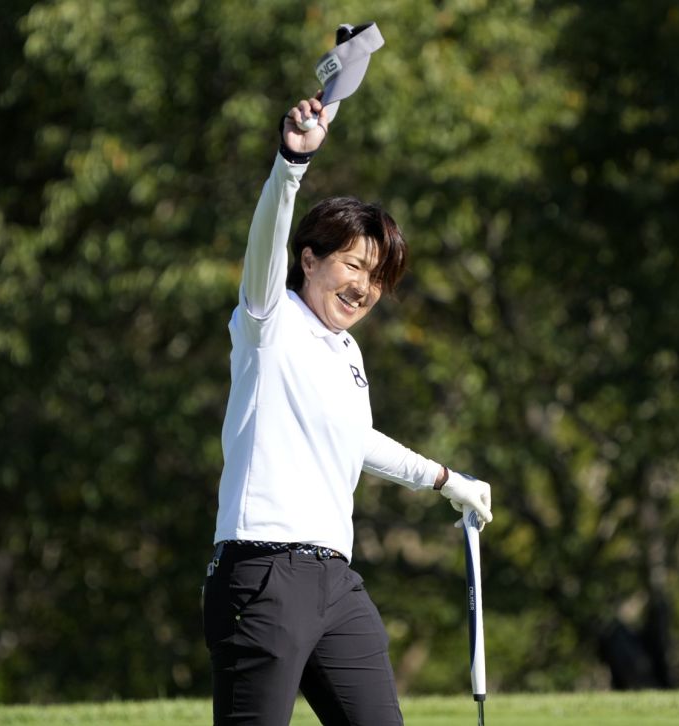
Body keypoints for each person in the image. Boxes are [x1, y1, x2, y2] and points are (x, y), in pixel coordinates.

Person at [202, 91, 494, 726]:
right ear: (309, 260)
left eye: (378, 276)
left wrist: (446, 479)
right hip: (262, 573)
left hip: (336, 583)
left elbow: (356, 439)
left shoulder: (346, 351)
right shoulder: (268, 319)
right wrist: (291, 164)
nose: (365, 286)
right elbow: (266, 240)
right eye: (354, 265)